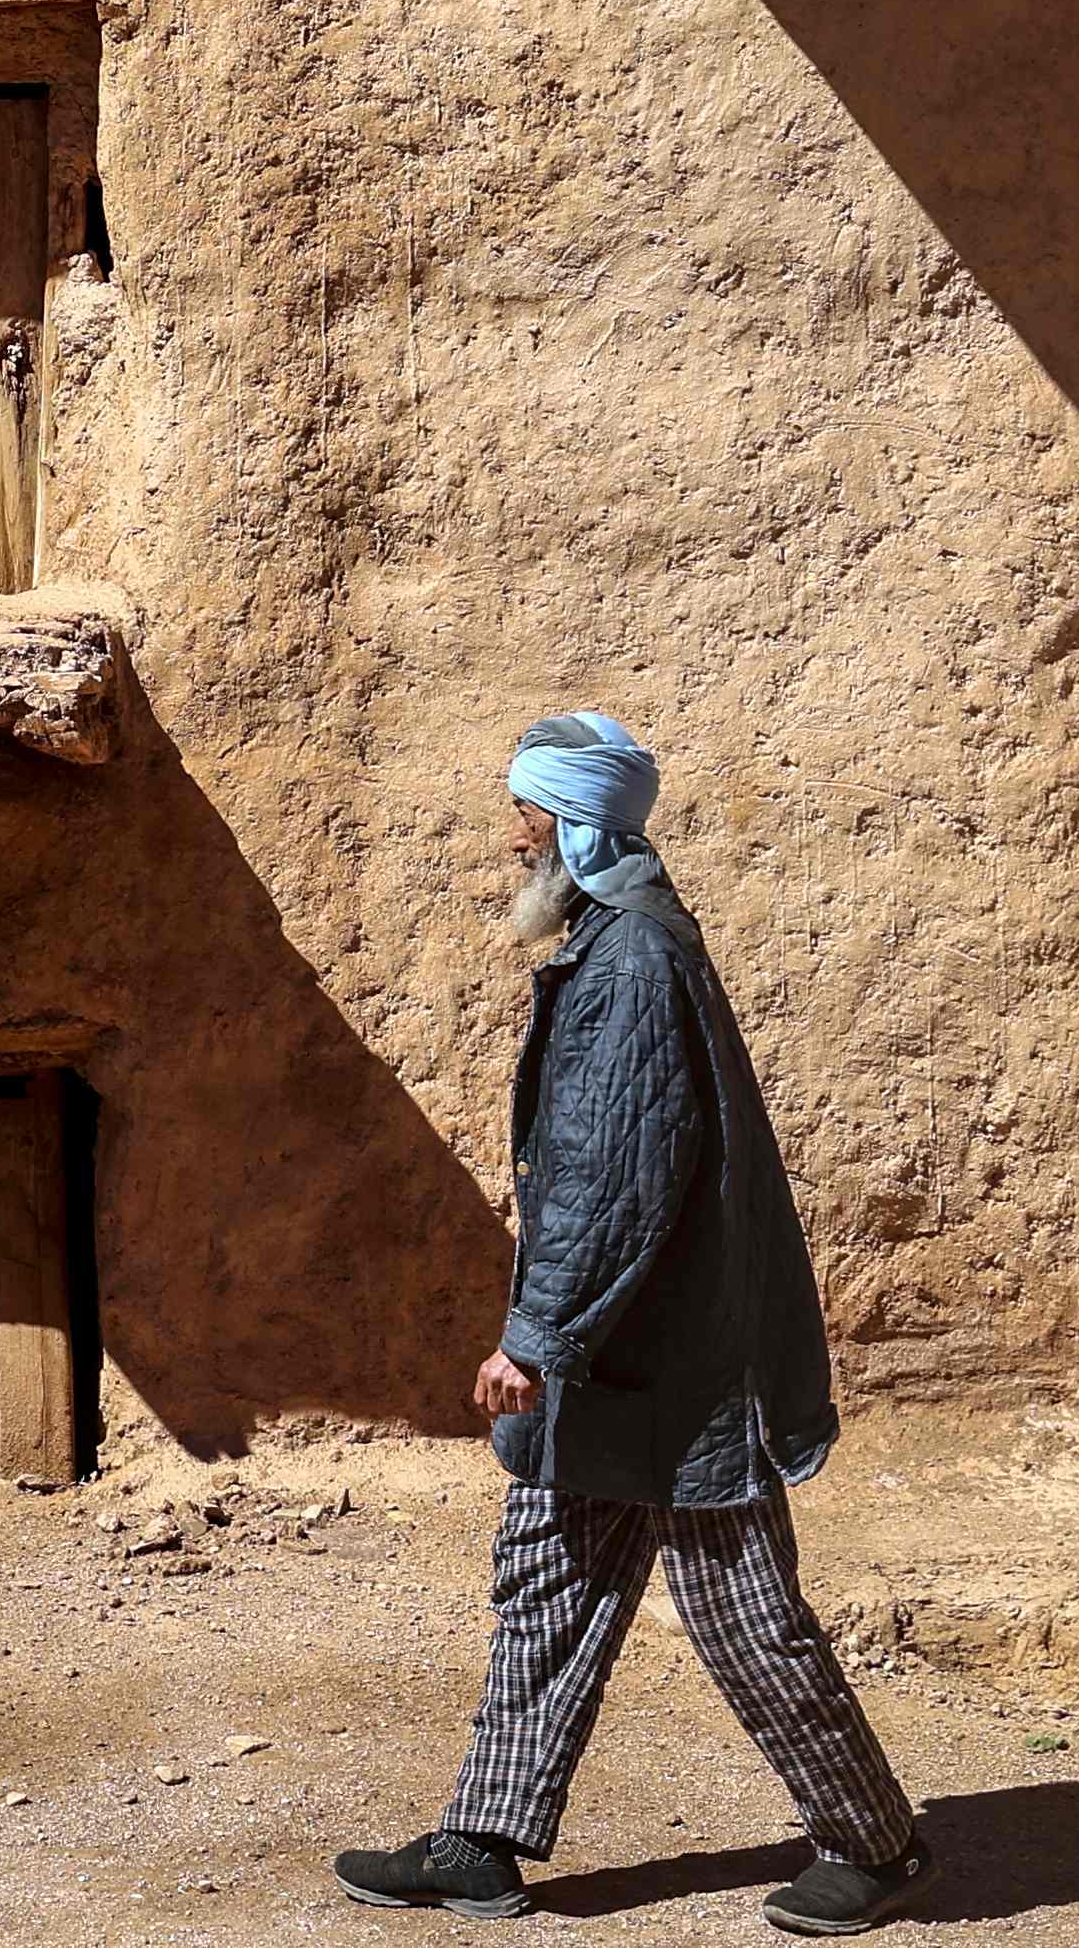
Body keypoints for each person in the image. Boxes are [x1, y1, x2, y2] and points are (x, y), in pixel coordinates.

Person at [335, 715, 924, 1934]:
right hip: (617, 1362)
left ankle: (873, 1843)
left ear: (577, 825)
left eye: (528, 814)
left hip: (680, 1368)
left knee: (739, 1608)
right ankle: (483, 1840)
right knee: (550, 1581)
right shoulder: (613, 947)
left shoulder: (633, 962)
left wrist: (537, 1337)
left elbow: (618, 1178)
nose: (514, 837)